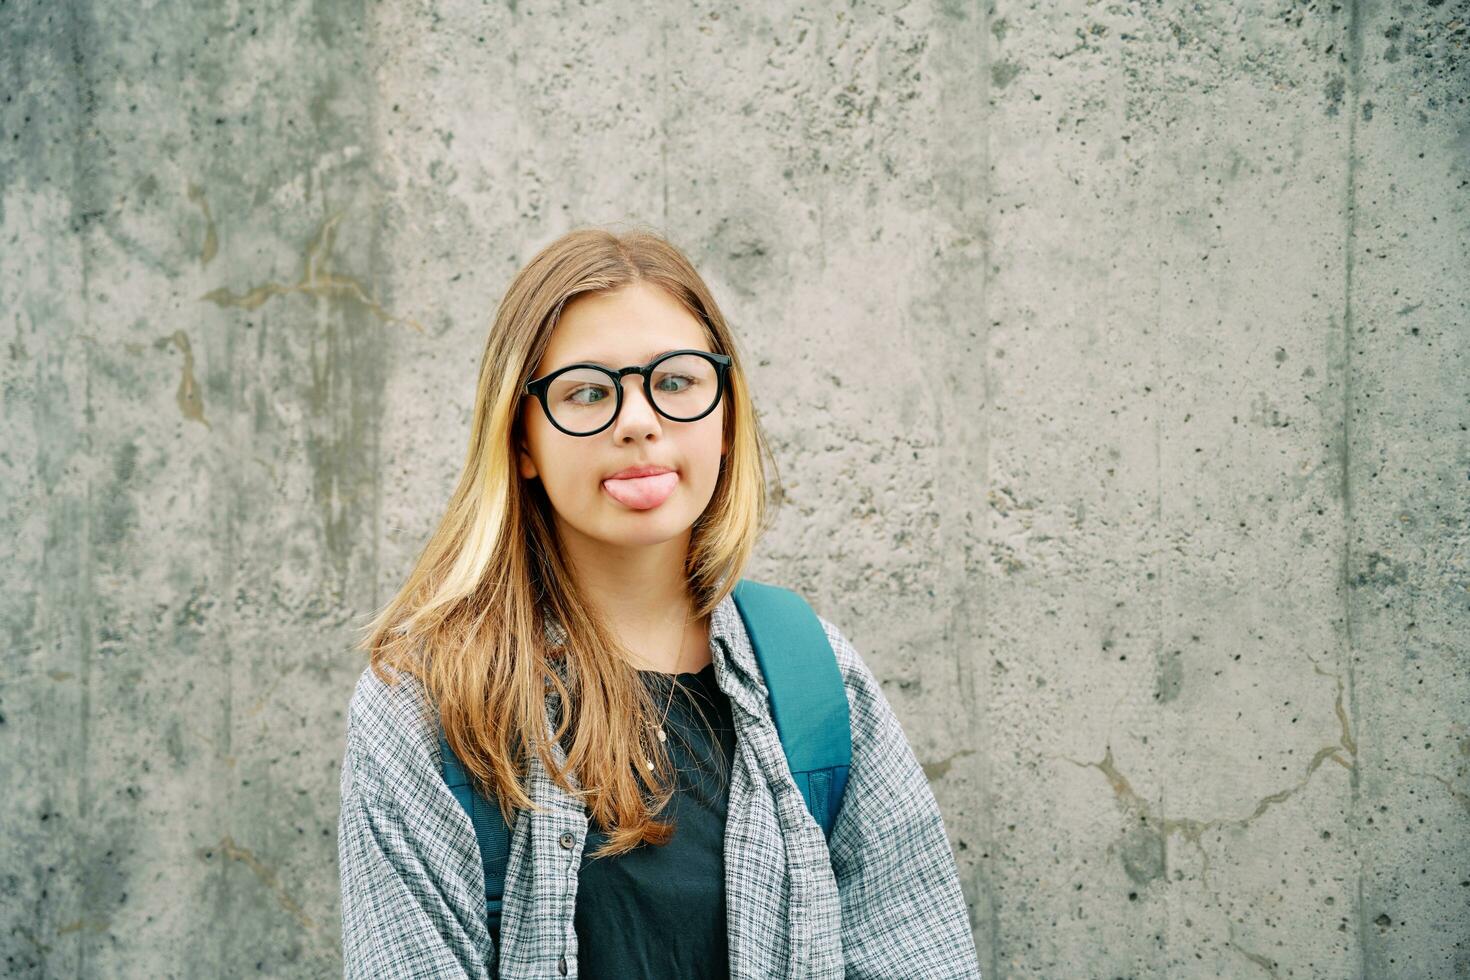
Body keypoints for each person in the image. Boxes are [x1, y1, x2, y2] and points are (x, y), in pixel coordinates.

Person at [337, 227, 982, 979]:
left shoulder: (812, 678)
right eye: (586, 392)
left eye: (675, 382)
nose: (638, 420)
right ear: (521, 440)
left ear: (726, 414)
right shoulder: (428, 705)